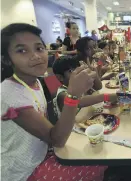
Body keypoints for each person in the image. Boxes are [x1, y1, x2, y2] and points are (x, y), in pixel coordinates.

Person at [1, 23, 107, 181]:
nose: (36, 56)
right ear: (7, 60)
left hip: (44, 152)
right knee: (97, 159)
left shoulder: (36, 82)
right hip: (23, 171)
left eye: (39, 48)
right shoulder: (10, 95)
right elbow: (57, 139)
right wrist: (74, 95)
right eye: (22, 50)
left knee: (97, 149)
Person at [52, 56, 118, 117]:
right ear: (60, 77)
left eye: (77, 69)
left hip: (83, 117)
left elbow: (98, 87)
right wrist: (106, 97)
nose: (77, 73)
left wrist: (93, 71)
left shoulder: (78, 84)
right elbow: (79, 102)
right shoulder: (61, 94)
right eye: (71, 71)